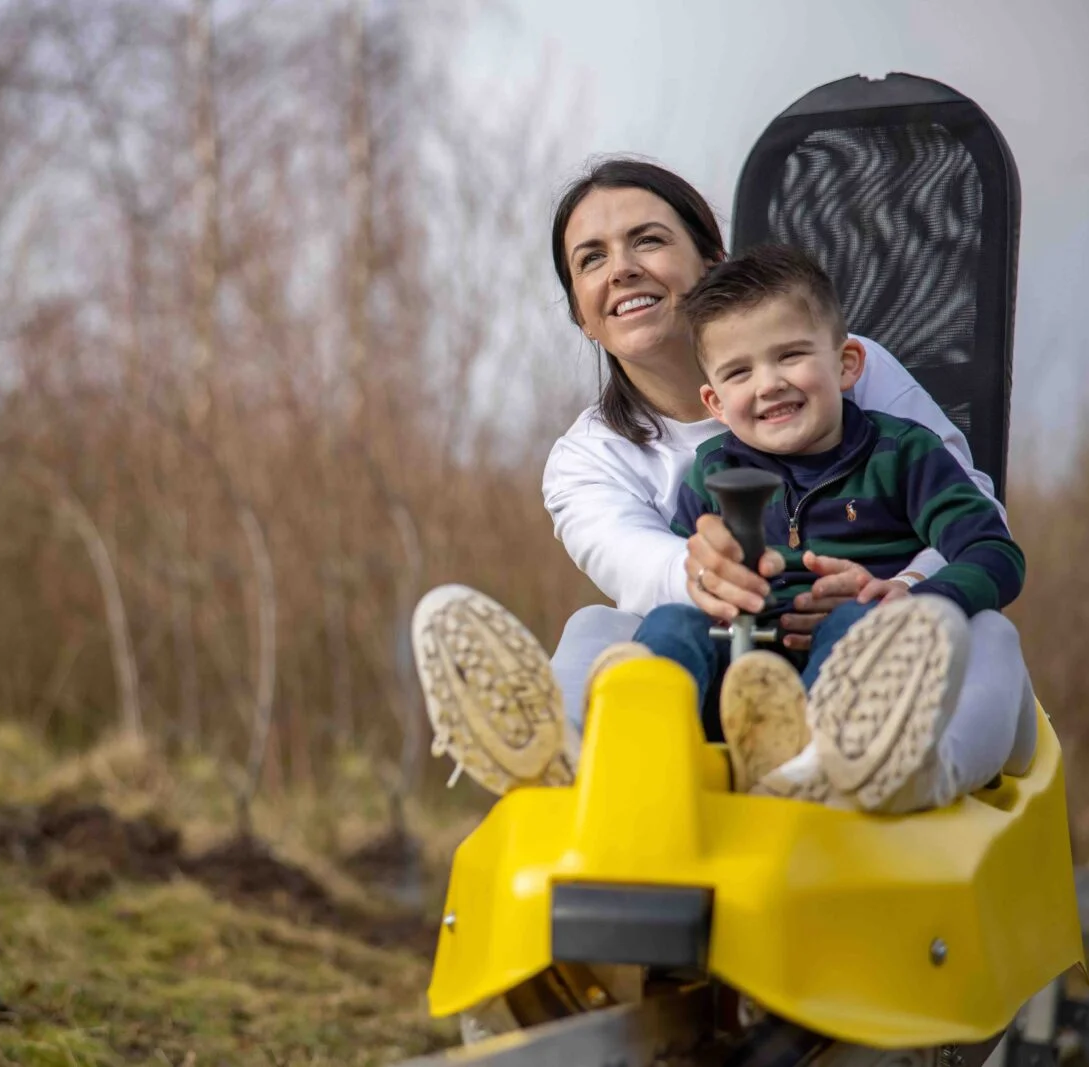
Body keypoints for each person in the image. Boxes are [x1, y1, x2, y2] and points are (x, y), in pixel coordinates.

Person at [411, 156, 1036, 807]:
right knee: (597, 624)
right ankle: (569, 756)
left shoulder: (851, 373)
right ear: (582, 316)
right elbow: (642, 572)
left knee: (978, 629)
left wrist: (904, 592)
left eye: (647, 239)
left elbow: (979, 526)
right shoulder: (591, 460)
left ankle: (903, 768)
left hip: (895, 657)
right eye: (591, 259)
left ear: (712, 260)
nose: (621, 267)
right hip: (733, 667)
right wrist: (704, 567)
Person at [588, 243, 1029, 812]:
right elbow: (690, 576)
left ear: (846, 364)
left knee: (858, 621)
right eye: (739, 372)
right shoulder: (714, 472)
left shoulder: (902, 454)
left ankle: (822, 762)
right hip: (744, 678)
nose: (768, 384)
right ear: (715, 402)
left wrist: (912, 597)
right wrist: (710, 588)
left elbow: (994, 551)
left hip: (864, 676)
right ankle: (638, 755)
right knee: (673, 622)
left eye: (790, 356)